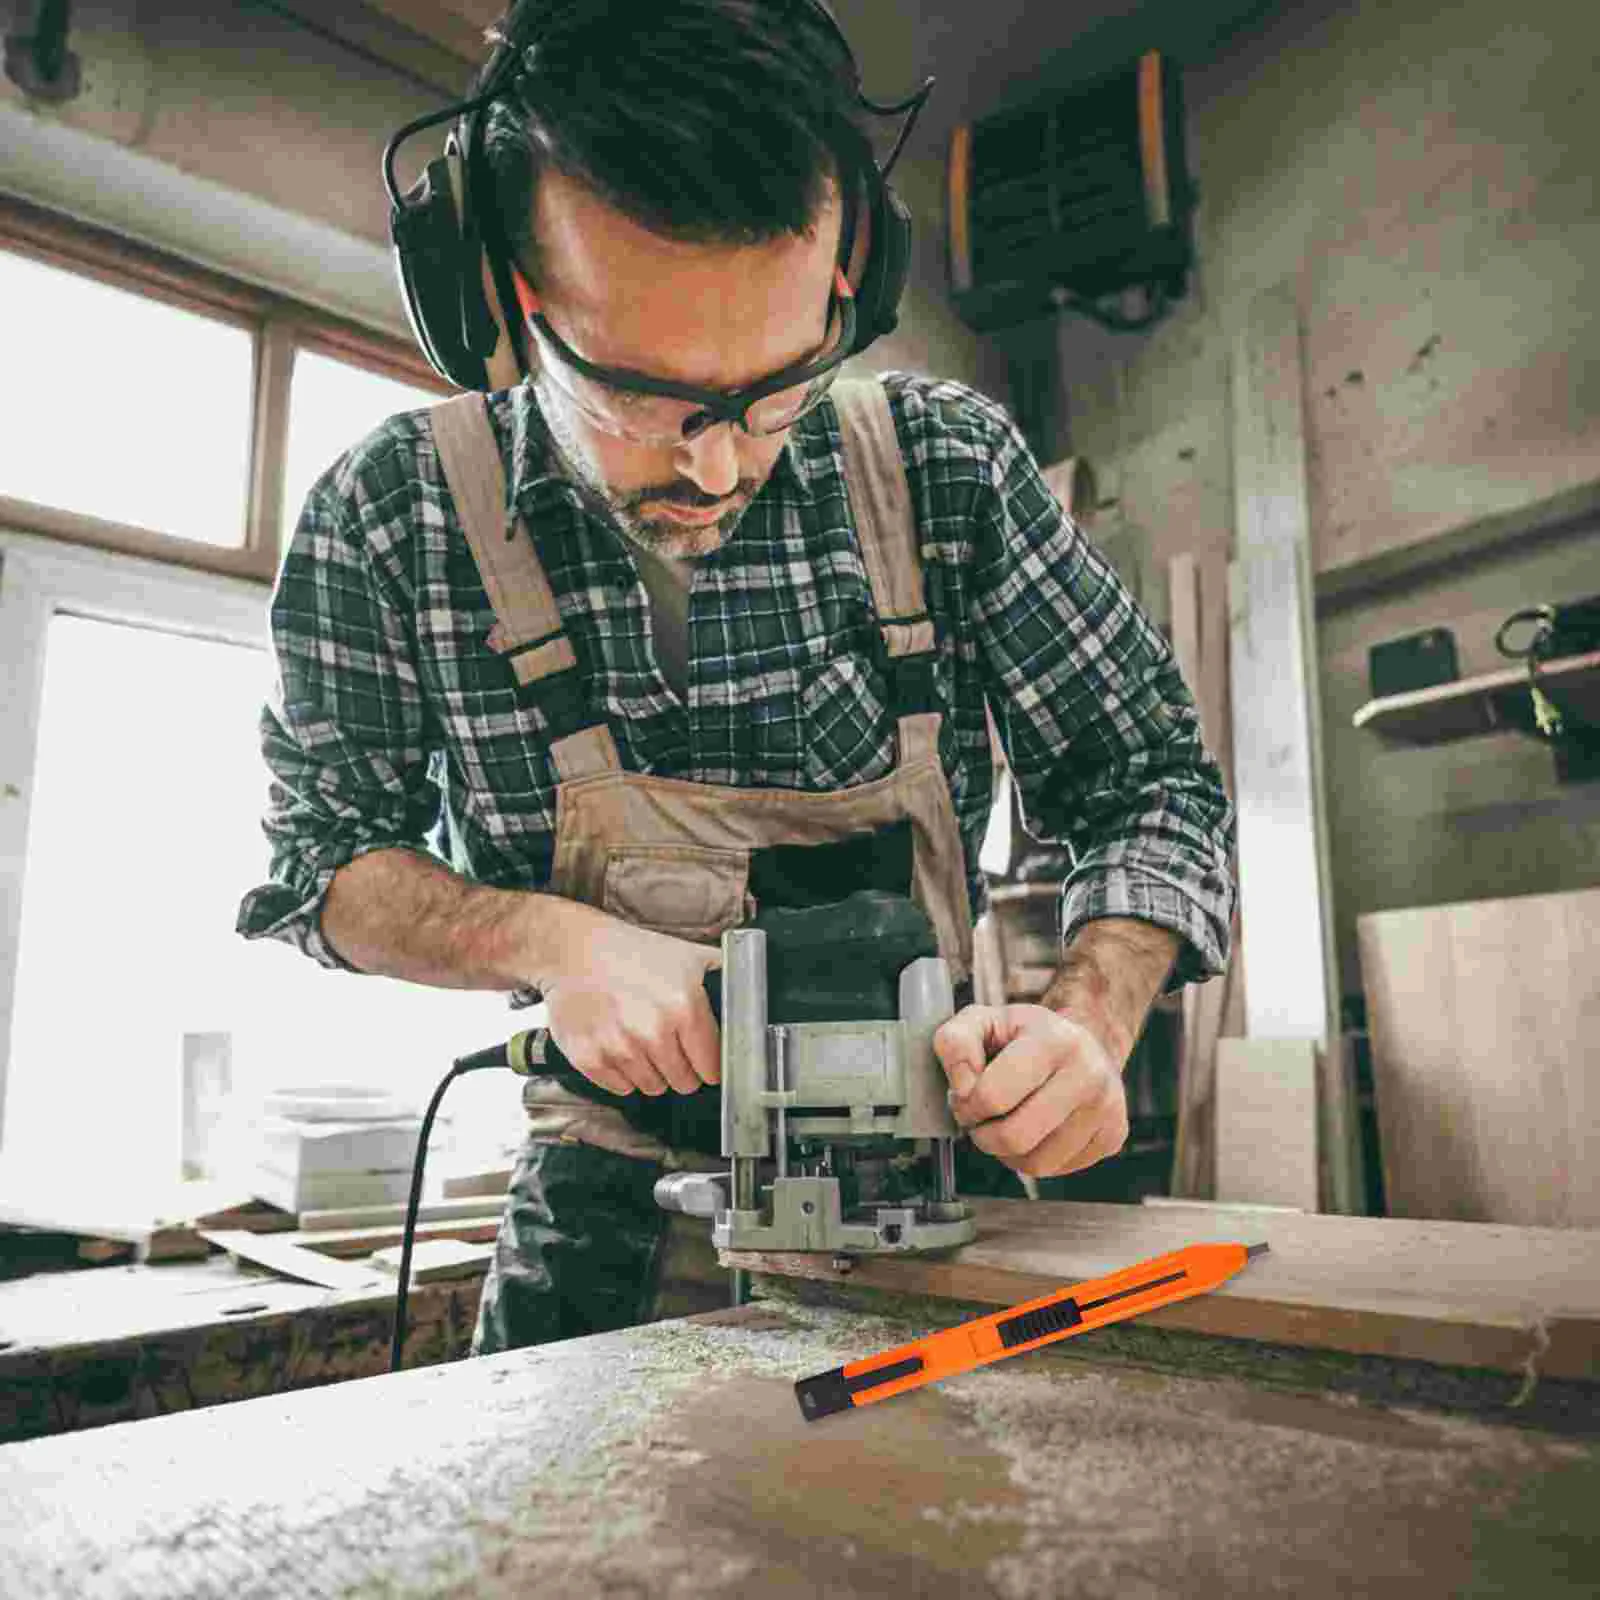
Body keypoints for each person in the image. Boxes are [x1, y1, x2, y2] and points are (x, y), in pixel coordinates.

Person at [237, 0, 1236, 1356]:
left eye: (776, 387)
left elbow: (1149, 782)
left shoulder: (942, 466)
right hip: (604, 1202)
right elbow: (319, 868)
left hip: (933, 1187)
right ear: (508, 304)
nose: (717, 465)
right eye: (647, 398)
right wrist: (547, 940)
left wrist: (1092, 1019)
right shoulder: (392, 516)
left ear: (848, 286)